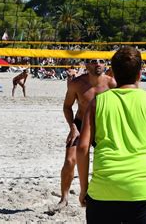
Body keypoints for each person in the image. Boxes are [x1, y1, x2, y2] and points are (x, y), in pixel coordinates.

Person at [76, 46, 146, 223]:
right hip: (143, 191)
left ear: (113, 74)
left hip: (104, 189)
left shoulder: (98, 102)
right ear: (140, 74)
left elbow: (82, 148)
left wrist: (84, 188)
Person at [56, 58, 116, 210]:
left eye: (101, 61)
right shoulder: (76, 83)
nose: (98, 64)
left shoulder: (111, 83)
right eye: (93, 61)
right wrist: (72, 128)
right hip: (80, 125)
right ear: (86, 65)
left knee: (109, 162)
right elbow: (67, 107)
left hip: (102, 126)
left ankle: (108, 196)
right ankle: (64, 198)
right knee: (70, 161)